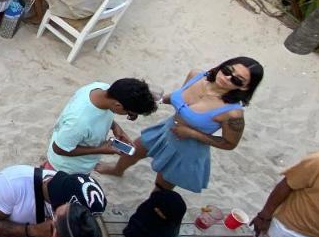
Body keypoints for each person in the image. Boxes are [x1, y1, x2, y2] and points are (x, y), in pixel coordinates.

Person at [99, 57, 263, 193]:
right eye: (228, 70)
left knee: (162, 186)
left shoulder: (233, 113)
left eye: (236, 79)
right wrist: (159, 100)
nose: (227, 77)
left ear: (246, 87)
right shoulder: (197, 75)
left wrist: (192, 134)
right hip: (166, 130)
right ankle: (117, 170)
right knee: (133, 150)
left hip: (187, 149)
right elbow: (178, 97)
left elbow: (229, 144)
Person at [45, 80, 158, 174]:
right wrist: (100, 149)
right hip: (65, 169)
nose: (131, 116)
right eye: (130, 114)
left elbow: (100, 115)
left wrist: (115, 127)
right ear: (118, 105)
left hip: (79, 162)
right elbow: (59, 148)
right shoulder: (79, 122)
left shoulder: (102, 88)